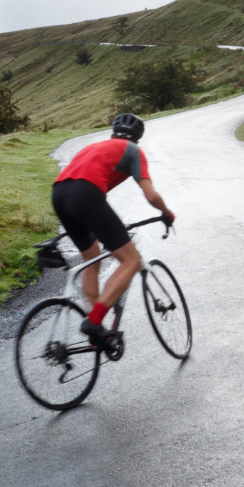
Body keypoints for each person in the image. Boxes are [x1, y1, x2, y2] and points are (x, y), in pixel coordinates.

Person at [51, 112, 175, 347]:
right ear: (137, 140)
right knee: (131, 261)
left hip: (59, 193)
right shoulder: (133, 151)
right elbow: (151, 195)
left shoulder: (95, 146)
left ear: (112, 134)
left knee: (92, 257)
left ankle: (95, 328)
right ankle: (94, 322)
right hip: (86, 195)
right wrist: (167, 213)